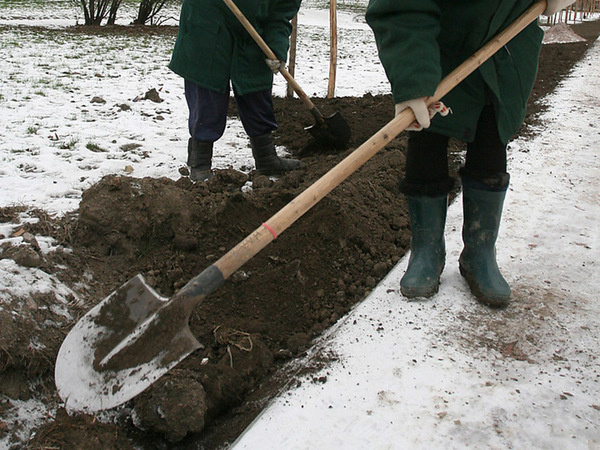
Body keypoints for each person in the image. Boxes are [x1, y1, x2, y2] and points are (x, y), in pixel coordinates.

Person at [365, 0, 575, 307]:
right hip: (439, 49)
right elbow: (400, 6)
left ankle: (480, 253)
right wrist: (412, 80)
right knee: (427, 137)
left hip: (507, 47)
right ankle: (427, 250)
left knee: (491, 138)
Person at [169, 0, 302, 182]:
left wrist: (276, 48)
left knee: (256, 87)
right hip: (207, 18)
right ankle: (200, 163)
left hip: (252, 30)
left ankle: (266, 158)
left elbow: (280, 14)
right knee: (207, 92)